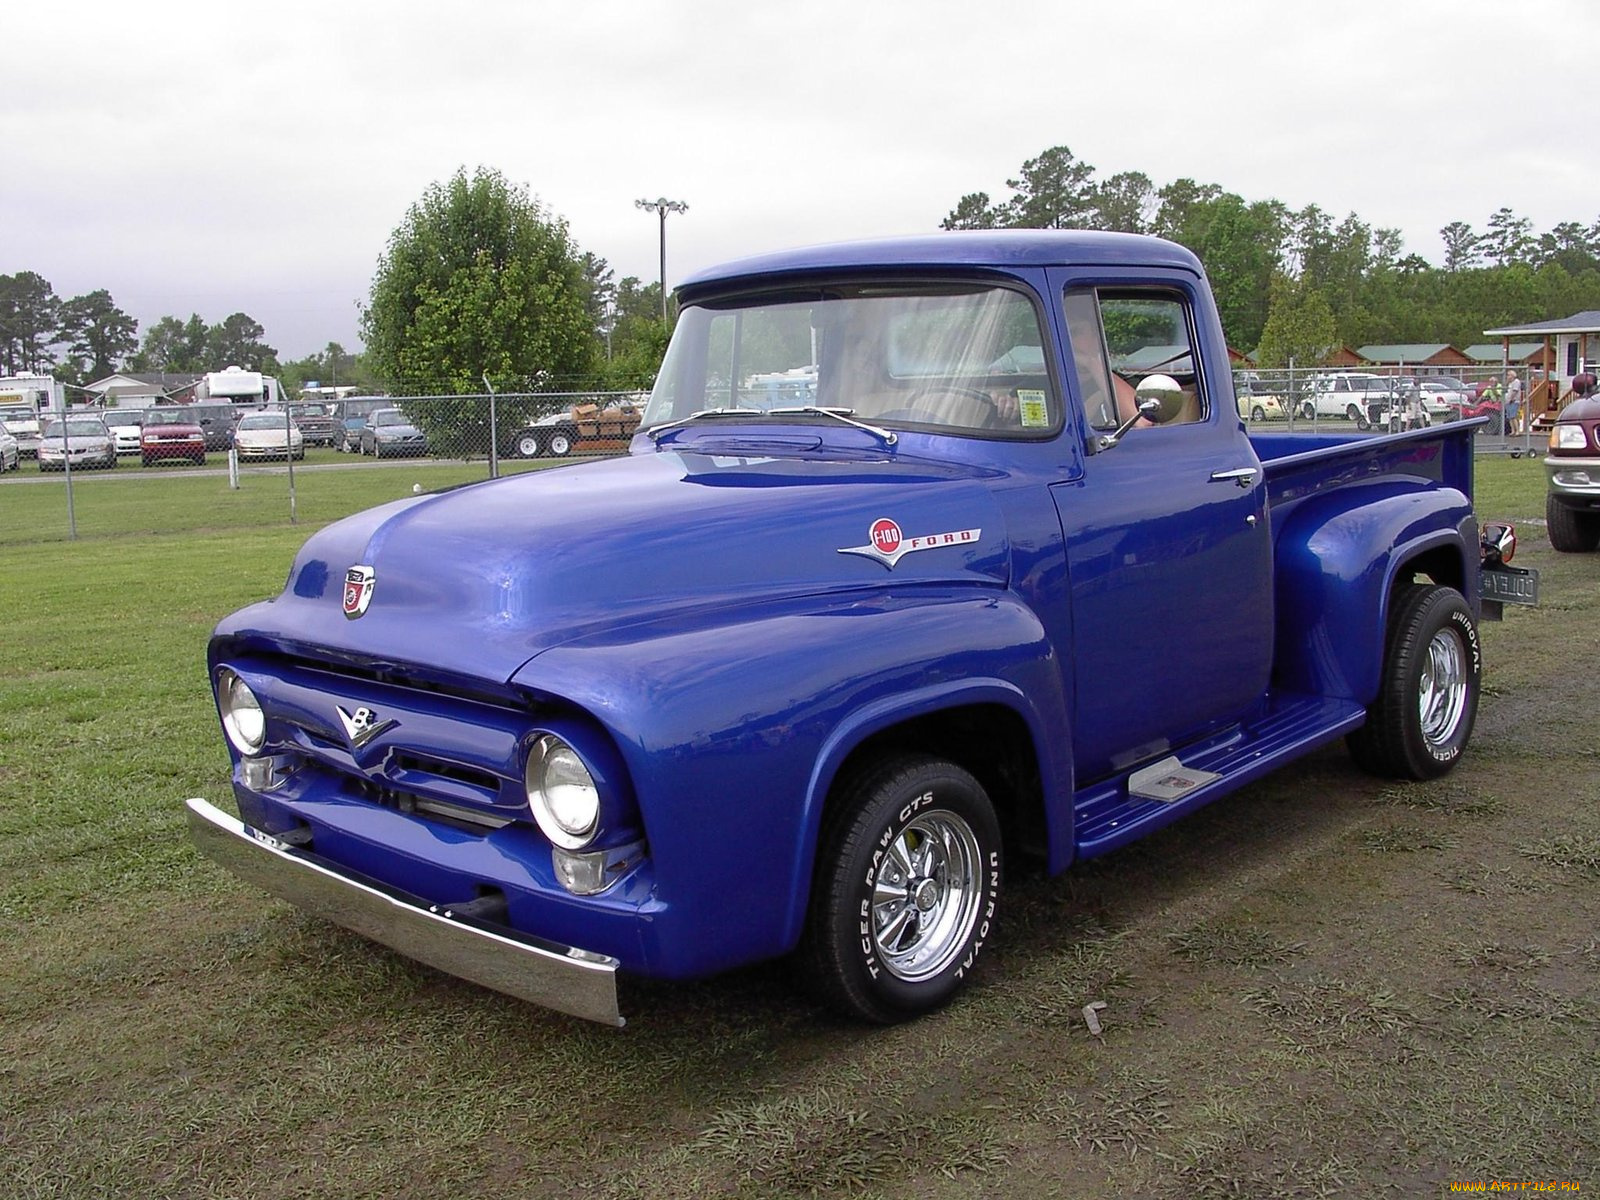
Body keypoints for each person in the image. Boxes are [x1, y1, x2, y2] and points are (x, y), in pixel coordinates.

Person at [1503, 370, 1524, 434]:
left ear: (1512, 376)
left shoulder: (1516, 382)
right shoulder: (1510, 383)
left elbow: (1515, 391)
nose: (1507, 376)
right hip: (1508, 402)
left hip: (1514, 401)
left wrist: (1511, 399)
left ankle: (1517, 431)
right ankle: (1513, 431)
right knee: (1509, 417)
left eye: (1508, 375)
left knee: (1513, 416)